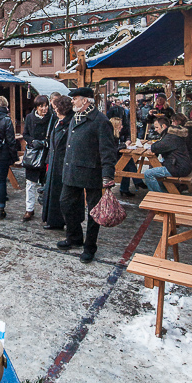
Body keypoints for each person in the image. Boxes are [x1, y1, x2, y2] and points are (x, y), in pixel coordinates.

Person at [59, 87, 117, 263]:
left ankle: (90, 247)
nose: (72, 101)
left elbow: (108, 151)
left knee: (94, 212)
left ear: (85, 101)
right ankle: (74, 237)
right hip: (72, 171)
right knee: (66, 203)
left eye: (75, 98)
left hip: (92, 173)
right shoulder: (75, 118)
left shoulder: (101, 121)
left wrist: (107, 175)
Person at [42, 95, 73, 231]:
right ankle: (53, 220)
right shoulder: (58, 122)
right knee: (52, 192)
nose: (54, 110)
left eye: (56, 108)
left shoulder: (68, 124)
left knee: (60, 195)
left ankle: (59, 221)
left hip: (62, 165)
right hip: (54, 162)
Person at [22, 95, 52, 221]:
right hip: (33, 155)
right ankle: (29, 209)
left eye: (46, 106)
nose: (44, 109)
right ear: (36, 107)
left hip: (47, 154)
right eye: (41, 106)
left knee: (47, 184)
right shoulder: (29, 117)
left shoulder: (52, 117)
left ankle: (47, 210)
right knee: (30, 183)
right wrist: (32, 141)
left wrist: (46, 142)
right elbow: (25, 134)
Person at [143, 116, 192, 193]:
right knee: (155, 167)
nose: (155, 129)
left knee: (148, 174)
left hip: (178, 167)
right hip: (180, 165)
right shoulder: (171, 134)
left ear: (163, 126)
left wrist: (154, 145)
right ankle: (164, 191)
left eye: (156, 127)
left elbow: (157, 147)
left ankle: (157, 196)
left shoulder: (170, 137)